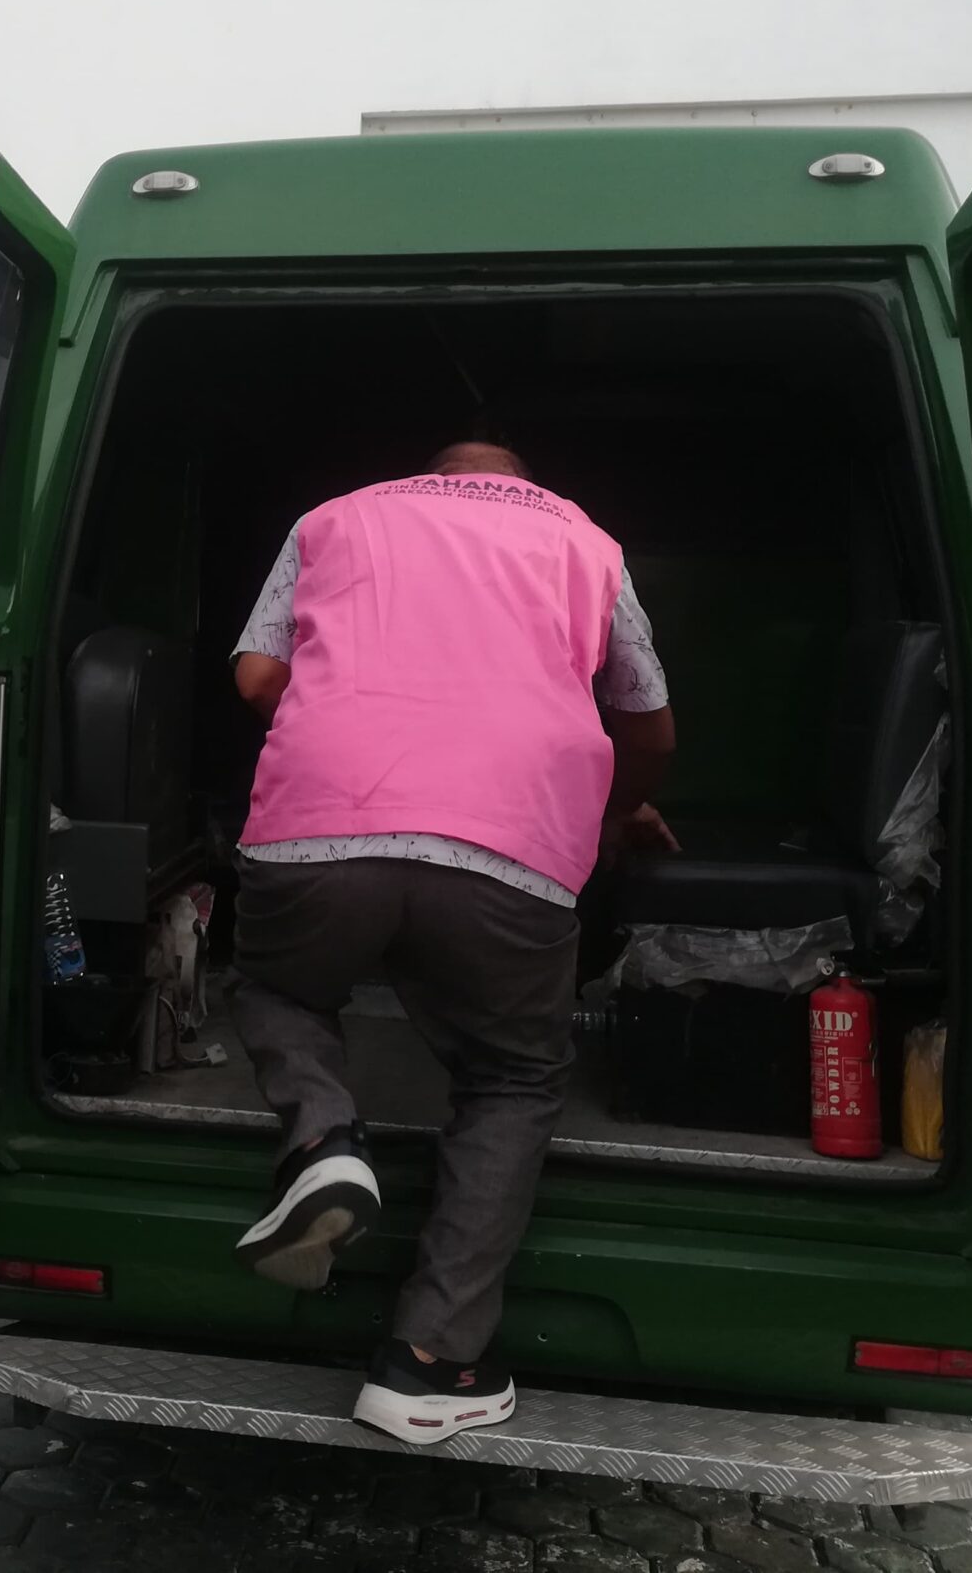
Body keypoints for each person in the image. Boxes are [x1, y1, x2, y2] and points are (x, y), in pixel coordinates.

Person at [228, 429, 675, 1445]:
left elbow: (256, 678)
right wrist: (618, 810)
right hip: (509, 844)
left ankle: (322, 1138)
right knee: (511, 1076)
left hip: (318, 824)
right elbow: (648, 723)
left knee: (278, 987)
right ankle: (429, 1360)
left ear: (433, 477)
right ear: (523, 485)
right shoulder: (585, 541)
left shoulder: (334, 516)